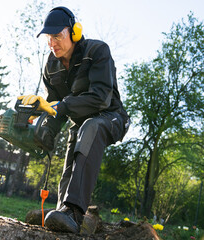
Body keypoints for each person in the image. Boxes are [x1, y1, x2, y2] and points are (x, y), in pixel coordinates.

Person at [18, 6, 130, 233]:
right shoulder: (51, 65)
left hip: (110, 116)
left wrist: (64, 105)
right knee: (70, 161)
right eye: (49, 37)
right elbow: (54, 107)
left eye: (57, 36)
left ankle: (75, 212)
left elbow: (100, 97)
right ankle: (61, 213)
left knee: (90, 127)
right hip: (80, 123)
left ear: (75, 32)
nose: (53, 42)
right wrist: (43, 129)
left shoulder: (97, 51)